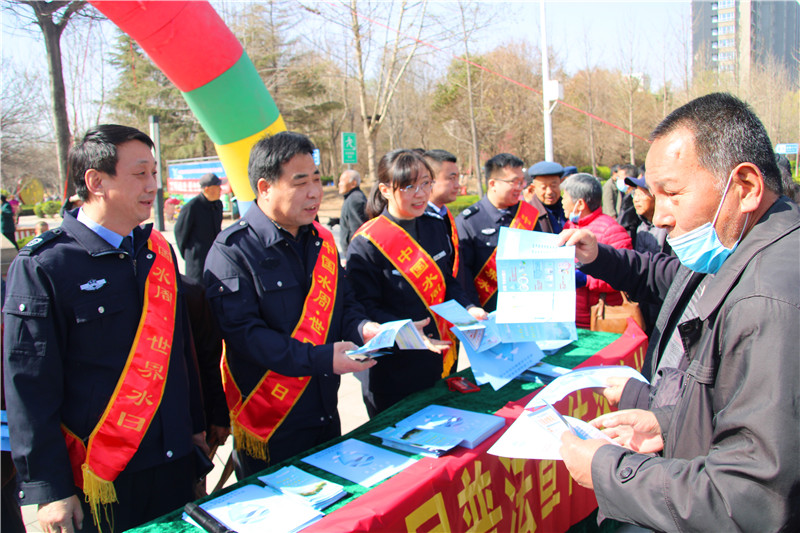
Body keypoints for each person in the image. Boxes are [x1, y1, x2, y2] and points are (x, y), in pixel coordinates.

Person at [558, 93, 800, 532]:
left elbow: (747, 497)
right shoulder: (731, 246)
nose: (660, 217)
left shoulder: (766, 300)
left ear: (745, 187)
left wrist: (609, 470)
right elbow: (665, 278)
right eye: (655, 195)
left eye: (672, 194)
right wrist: (667, 424)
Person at [3, 124, 206, 532]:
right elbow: (30, 386)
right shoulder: (45, 265)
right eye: (140, 174)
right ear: (96, 182)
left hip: (173, 463)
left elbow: (182, 354)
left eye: (154, 173)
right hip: (99, 478)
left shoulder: (157, 252)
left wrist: (197, 432)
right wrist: (49, 488)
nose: (152, 186)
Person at [203, 131, 383, 480]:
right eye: (300, 183)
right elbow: (246, 336)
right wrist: (320, 358)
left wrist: (364, 327)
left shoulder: (321, 241)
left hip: (326, 413)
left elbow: (344, 303)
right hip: (271, 426)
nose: (315, 192)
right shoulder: (232, 251)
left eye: (317, 179)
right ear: (265, 187)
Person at [346, 150, 485, 416]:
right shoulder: (367, 243)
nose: (420, 194)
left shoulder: (435, 225)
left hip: (439, 355)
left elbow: (446, 281)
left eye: (425, 183)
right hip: (393, 369)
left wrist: (468, 308)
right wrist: (404, 331)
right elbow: (363, 307)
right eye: (409, 186)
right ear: (385, 190)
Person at [456, 153, 539, 312]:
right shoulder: (468, 222)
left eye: (522, 182)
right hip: (488, 311)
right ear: (493, 183)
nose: (520, 187)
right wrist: (473, 308)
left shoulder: (528, 215)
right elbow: (464, 276)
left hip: (527, 309)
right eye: (514, 182)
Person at [561, 173, 632, 329]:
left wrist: (587, 279)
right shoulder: (569, 227)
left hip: (601, 319)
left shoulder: (611, 230)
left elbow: (625, 274)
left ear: (580, 204)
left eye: (564, 198)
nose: (562, 202)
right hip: (573, 318)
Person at [622, 173, 671, 335]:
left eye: (641, 194)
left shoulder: (669, 227)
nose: (636, 199)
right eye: (634, 194)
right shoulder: (637, 226)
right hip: (645, 299)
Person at [174, 172, 224, 283]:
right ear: (207, 189)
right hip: (197, 261)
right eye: (217, 187)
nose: (220, 190)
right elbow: (180, 232)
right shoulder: (192, 207)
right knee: (197, 289)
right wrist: (190, 253)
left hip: (214, 256)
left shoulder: (218, 205)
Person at [423, 149, 461, 277]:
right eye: (452, 178)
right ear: (429, 180)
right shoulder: (418, 219)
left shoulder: (444, 214)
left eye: (458, 178)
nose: (457, 185)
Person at [523, 160, 567, 233]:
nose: (549, 192)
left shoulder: (569, 208)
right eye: (543, 187)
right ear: (533, 188)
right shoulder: (526, 214)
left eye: (554, 186)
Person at [337, 169, 368, 254]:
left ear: (353, 183)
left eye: (342, 181)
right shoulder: (351, 197)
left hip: (355, 252)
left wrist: (354, 253)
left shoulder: (355, 199)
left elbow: (358, 229)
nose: (339, 184)